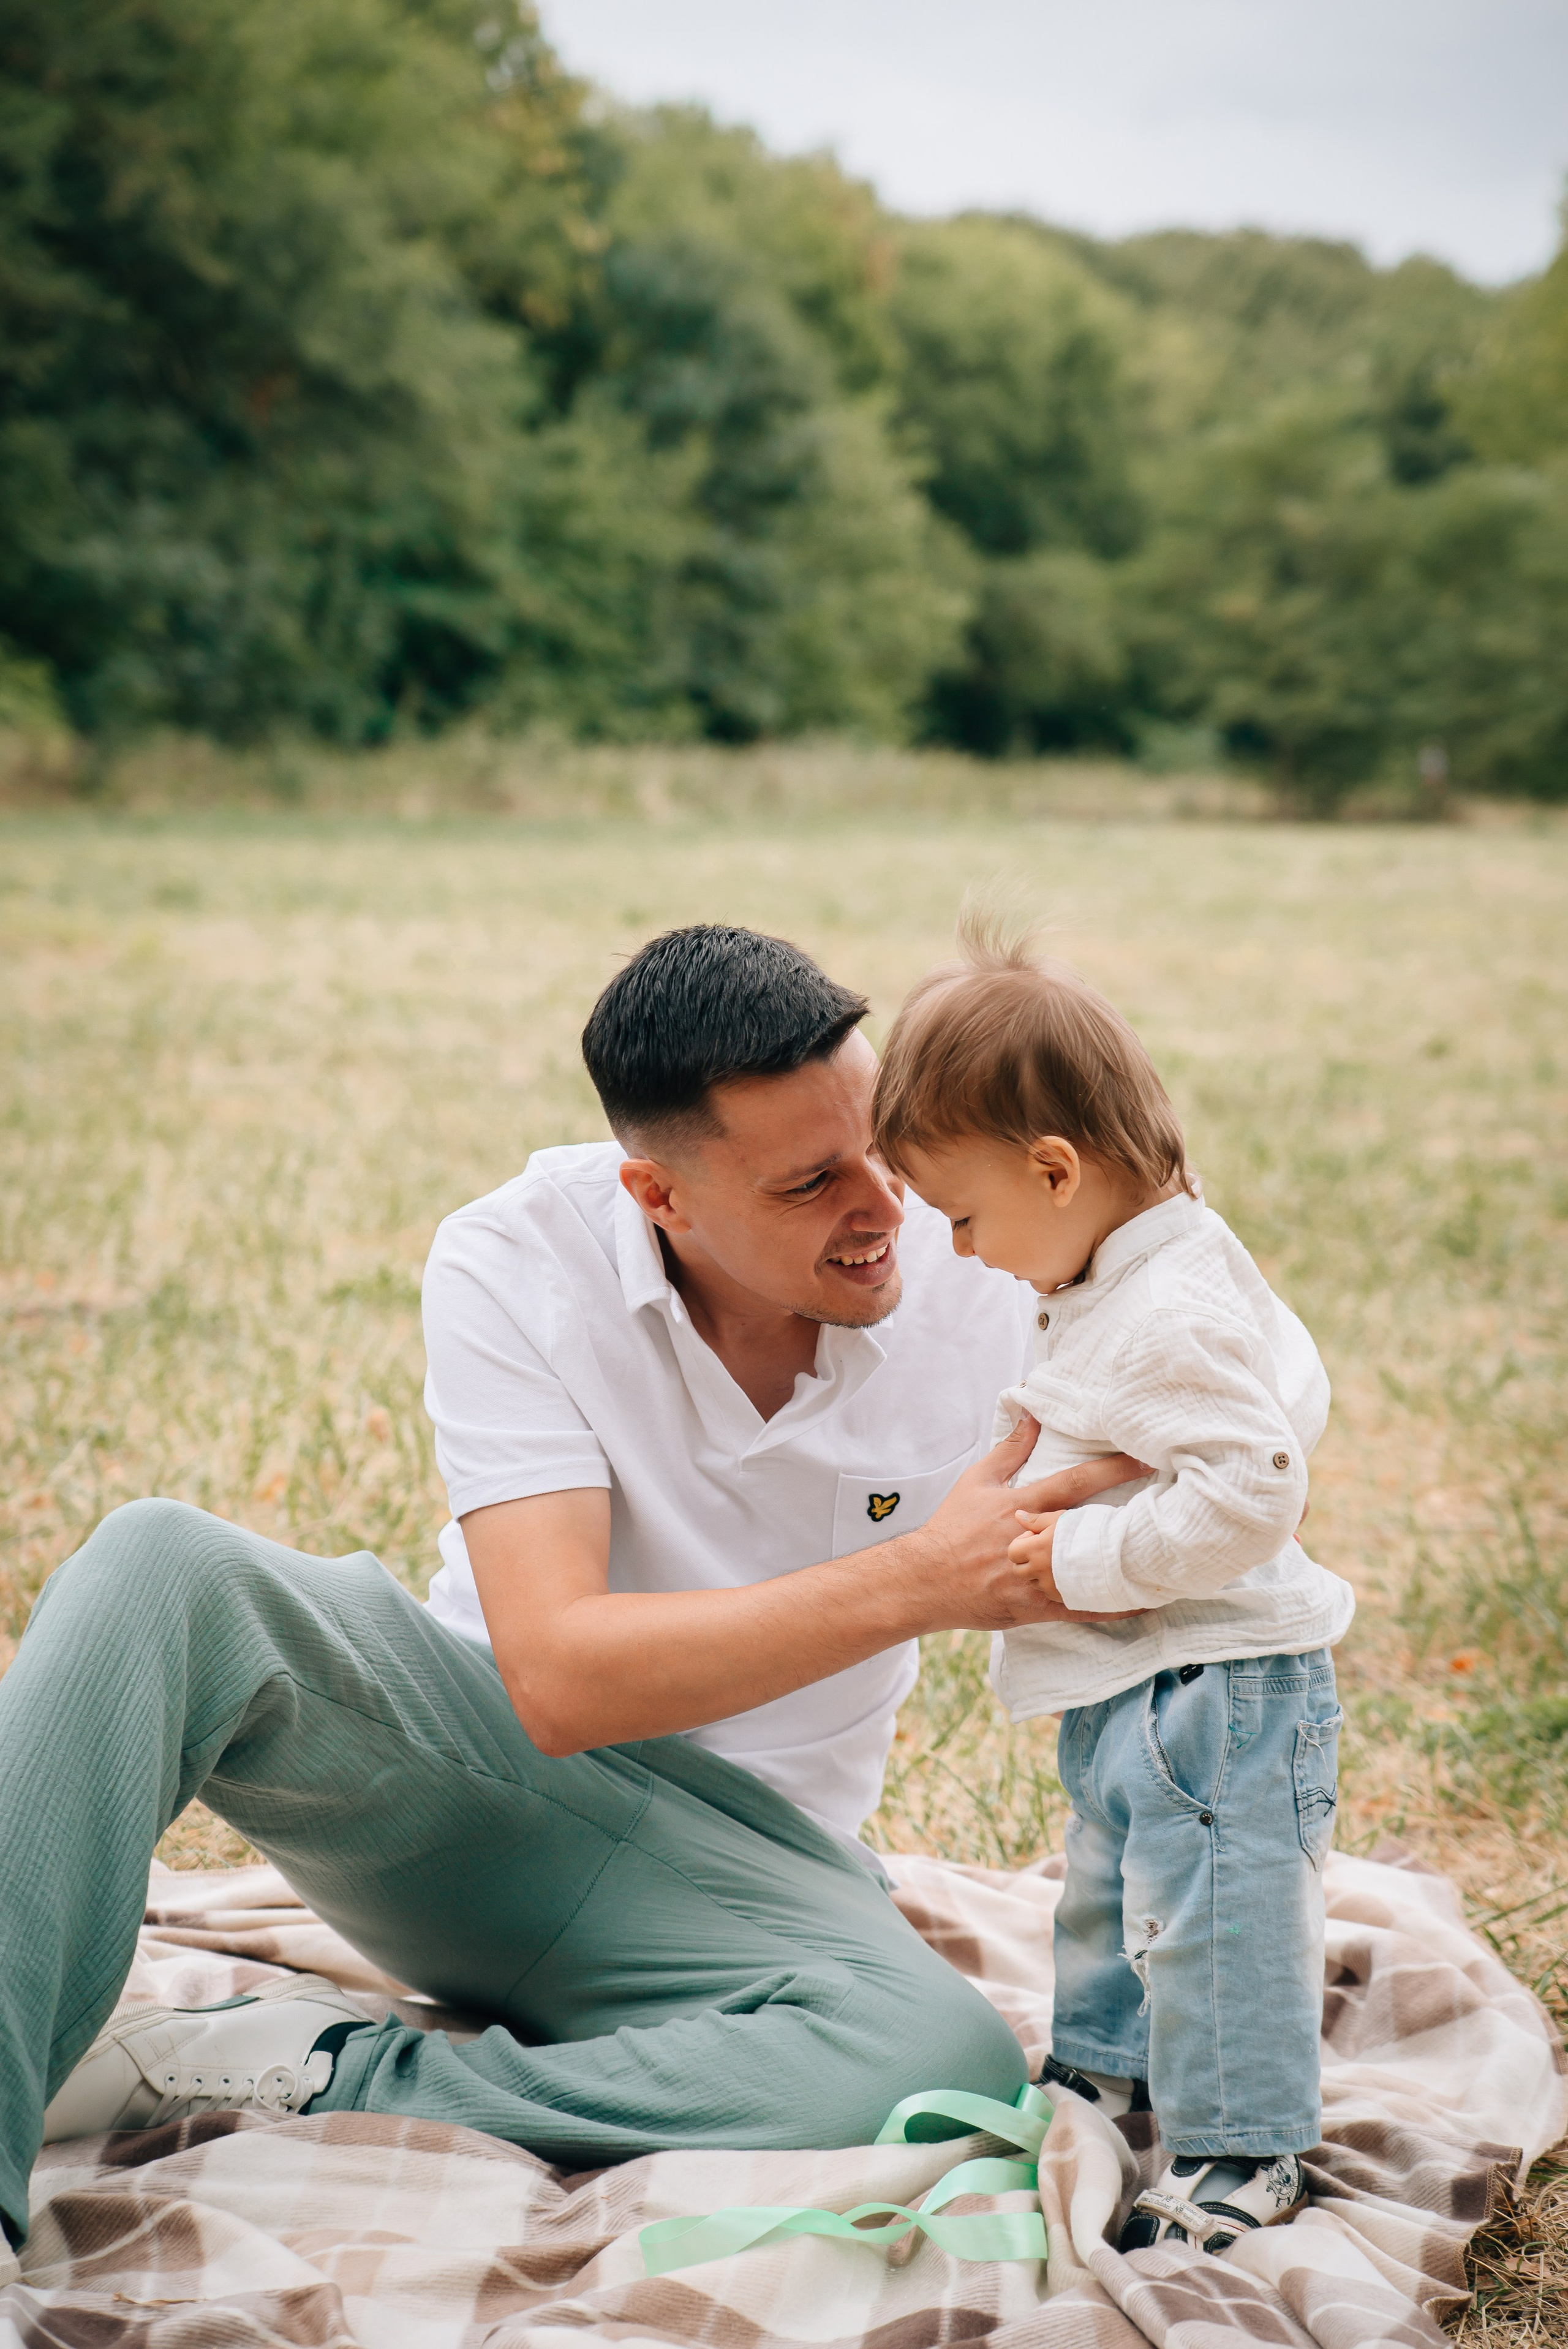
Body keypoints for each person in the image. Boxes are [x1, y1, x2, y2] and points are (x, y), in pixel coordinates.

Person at [0, 924, 1147, 2268]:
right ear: (659, 1194)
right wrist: (919, 1578)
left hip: (754, 1874)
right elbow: (557, 1679)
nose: (885, 1207)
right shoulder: (514, 1260)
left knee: (939, 2059)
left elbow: (1207, 1342)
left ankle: (313, 2072)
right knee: (160, 1562)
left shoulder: (977, 1255)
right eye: (810, 1181)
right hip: (475, 1797)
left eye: (881, 1147)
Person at [871, 918, 1353, 2258]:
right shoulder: (1110, 1271)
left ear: (1055, 1167)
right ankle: (1103, 2065)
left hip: (1222, 1691)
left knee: (1216, 1914)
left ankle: (1242, 2146)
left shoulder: (1170, 1306)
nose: (958, 1251)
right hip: (1139, 1681)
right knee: (1108, 1887)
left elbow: (1253, 1485)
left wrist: (1070, 1567)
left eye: (961, 1215)